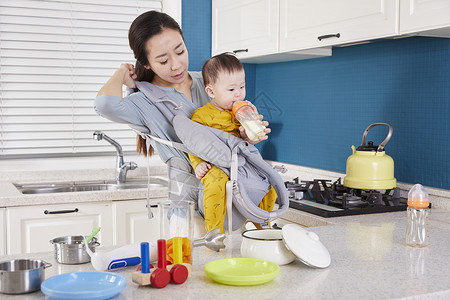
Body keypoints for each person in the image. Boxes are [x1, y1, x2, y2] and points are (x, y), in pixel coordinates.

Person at [94, 11, 270, 228]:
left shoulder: (209, 81)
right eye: (163, 60)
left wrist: (246, 136)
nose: (176, 65)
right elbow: (104, 105)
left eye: (180, 51)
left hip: (235, 197)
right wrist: (121, 73)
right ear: (146, 63)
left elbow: (232, 132)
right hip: (188, 210)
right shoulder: (146, 101)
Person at [189, 53, 277, 233]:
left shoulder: (243, 111)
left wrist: (251, 132)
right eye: (231, 90)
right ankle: (214, 233)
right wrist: (198, 164)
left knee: (271, 179)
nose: (238, 93)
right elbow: (193, 143)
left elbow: (247, 143)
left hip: (242, 163)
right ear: (211, 92)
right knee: (215, 184)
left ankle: (262, 225)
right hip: (216, 163)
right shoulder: (201, 116)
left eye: (242, 87)